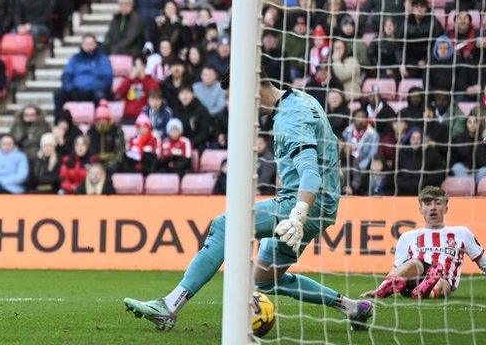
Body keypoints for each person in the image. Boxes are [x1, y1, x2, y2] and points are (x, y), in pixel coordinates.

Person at [124, 74, 375, 331]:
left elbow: (310, 171)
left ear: (255, 87)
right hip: (323, 206)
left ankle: (169, 305)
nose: (235, 106)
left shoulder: (290, 120)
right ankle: (352, 308)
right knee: (265, 281)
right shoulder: (303, 99)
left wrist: (299, 214)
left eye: (237, 97)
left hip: (301, 204)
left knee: (225, 225)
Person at [364, 186, 486, 300]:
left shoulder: (461, 233)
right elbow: (398, 269)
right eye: (427, 204)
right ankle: (383, 290)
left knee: (441, 282)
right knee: (414, 263)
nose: (433, 207)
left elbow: (483, 262)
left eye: (438, 203)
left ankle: (425, 291)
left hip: (443, 279)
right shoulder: (408, 236)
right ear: (421, 209)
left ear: (446, 208)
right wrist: (381, 287)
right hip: (411, 280)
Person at [53, 34, 113, 115]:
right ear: (82, 45)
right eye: (86, 44)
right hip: (75, 91)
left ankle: (97, 124)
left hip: (94, 91)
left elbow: (107, 79)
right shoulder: (75, 58)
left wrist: (93, 88)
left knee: (100, 96)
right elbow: (66, 76)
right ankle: (59, 122)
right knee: (58, 94)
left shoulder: (103, 59)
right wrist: (70, 89)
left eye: (91, 44)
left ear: (96, 44)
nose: (89, 47)